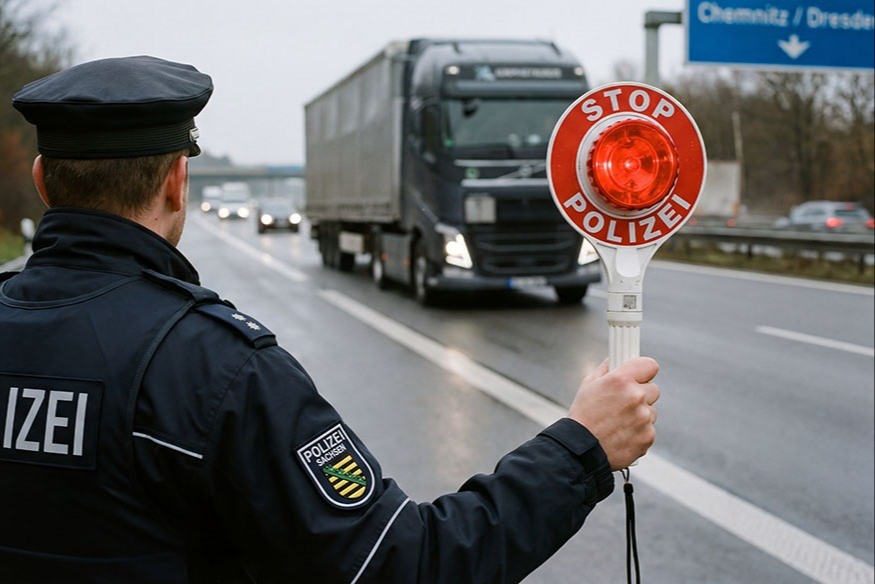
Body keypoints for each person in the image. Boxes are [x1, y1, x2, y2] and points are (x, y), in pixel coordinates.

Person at [0, 56, 659, 584]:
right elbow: (401, 564)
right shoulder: (215, 370)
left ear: (42, 180)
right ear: (177, 182)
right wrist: (582, 447)